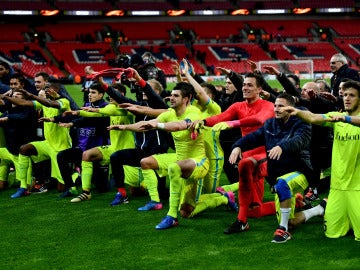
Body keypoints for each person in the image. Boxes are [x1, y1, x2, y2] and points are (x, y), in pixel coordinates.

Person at [230, 93, 327, 243]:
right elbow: (254, 137)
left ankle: (283, 231)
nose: (276, 109)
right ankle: (319, 209)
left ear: (290, 108)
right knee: (291, 220)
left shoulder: (302, 123)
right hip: (279, 175)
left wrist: (282, 147)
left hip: (301, 172)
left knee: (282, 184)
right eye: (275, 105)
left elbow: (299, 140)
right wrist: (237, 146)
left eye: (281, 106)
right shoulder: (270, 124)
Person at [120, 82, 209, 229]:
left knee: (187, 203)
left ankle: (222, 197)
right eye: (171, 95)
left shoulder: (193, 113)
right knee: (146, 162)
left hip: (198, 162)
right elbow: (146, 124)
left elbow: (179, 126)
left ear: (186, 99)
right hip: (179, 159)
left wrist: (157, 125)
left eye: (176, 96)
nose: (170, 98)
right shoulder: (169, 114)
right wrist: (124, 127)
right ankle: (155, 201)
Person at [282, 80, 360, 241]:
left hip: (357, 188)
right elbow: (313, 118)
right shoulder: (336, 118)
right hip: (337, 188)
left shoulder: (343, 119)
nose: (346, 98)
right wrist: (296, 111)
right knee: (331, 233)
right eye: (345, 95)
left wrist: (345, 119)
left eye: (351, 95)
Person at [198, 72, 275, 234]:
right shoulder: (238, 106)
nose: (245, 88)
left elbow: (260, 120)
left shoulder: (268, 105)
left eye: (250, 85)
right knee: (254, 210)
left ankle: (240, 221)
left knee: (245, 165)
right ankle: (294, 201)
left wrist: (232, 124)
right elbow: (220, 117)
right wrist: (202, 122)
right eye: (244, 85)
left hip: (265, 157)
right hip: (247, 157)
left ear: (259, 89)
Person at [97, 68, 169, 209]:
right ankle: (122, 194)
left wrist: (139, 79)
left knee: (161, 192)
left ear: (157, 92)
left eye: (148, 89)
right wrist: (102, 83)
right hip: (142, 150)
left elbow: (150, 94)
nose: (142, 91)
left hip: (157, 153)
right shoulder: (140, 105)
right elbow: (121, 99)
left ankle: (160, 196)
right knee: (116, 157)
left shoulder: (161, 106)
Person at [66, 83, 135, 203]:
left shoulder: (128, 109)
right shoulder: (110, 107)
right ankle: (86, 192)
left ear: (122, 95)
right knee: (87, 155)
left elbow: (114, 112)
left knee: (138, 190)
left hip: (128, 151)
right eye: (111, 94)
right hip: (113, 148)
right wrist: (79, 113)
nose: (111, 96)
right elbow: (101, 112)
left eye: (115, 94)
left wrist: (93, 110)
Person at [2, 82, 72, 198]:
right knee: (24, 149)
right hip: (48, 144)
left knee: (61, 188)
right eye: (46, 91)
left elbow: (51, 104)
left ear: (56, 91)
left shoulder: (64, 102)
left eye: (49, 90)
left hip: (61, 147)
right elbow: (24, 103)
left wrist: (32, 95)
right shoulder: (43, 104)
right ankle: (23, 187)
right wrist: (5, 97)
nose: (47, 92)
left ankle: (75, 175)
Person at [41, 83, 109, 198]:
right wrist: (54, 119)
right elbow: (75, 115)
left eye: (93, 92)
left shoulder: (105, 108)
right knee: (62, 156)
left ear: (101, 95)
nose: (90, 95)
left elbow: (88, 120)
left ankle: (82, 176)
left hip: (98, 150)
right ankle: (70, 187)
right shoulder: (87, 104)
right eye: (89, 92)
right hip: (82, 148)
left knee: (102, 188)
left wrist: (73, 123)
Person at [0, 90, 37, 191]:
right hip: (9, 151)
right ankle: (2, 181)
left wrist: (8, 118)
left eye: (18, 95)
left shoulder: (29, 111)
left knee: (27, 186)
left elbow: (22, 118)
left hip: (22, 154)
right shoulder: (8, 111)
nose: (14, 97)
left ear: (24, 100)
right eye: (13, 95)